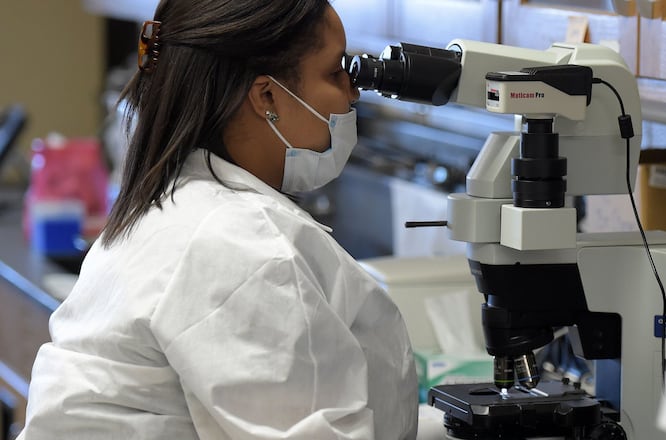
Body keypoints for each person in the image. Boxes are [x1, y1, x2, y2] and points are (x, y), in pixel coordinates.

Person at [18, 1, 419, 438]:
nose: (353, 93)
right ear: (267, 96)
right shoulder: (244, 246)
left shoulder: (174, 204)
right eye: (335, 72)